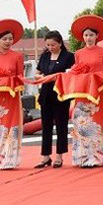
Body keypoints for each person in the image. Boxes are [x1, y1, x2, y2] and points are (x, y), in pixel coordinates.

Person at [67, 15, 103, 168]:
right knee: (82, 122)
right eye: (86, 35)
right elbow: (76, 71)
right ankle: (82, 157)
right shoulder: (78, 53)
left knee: (97, 122)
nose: (88, 38)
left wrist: (95, 78)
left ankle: (98, 157)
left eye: (91, 35)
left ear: (97, 36)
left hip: (97, 92)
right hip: (82, 93)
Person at [34, 31, 74, 169]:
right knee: (46, 126)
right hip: (46, 95)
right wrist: (41, 77)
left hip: (60, 95)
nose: (50, 47)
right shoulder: (45, 56)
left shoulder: (68, 56)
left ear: (60, 43)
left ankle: (59, 156)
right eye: (48, 45)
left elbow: (70, 74)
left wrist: (55, 77)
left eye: (53, 45)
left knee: (61, 125)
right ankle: (45, 156)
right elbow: (37, 73)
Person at [0, 19, 24, 170]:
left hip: (11, 96)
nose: (8, 41)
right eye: (4, 39)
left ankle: (9, 159)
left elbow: (20, 76)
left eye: (10, 39)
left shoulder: (17, 56)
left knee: (10, 125)